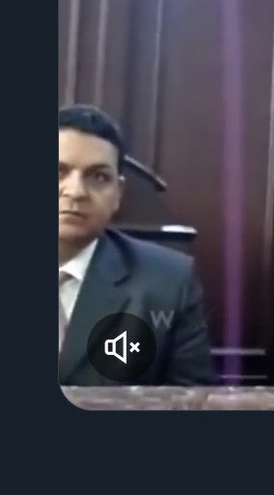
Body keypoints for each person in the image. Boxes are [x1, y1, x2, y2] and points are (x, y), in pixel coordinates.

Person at [58, 105, 216, 385]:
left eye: (98, 177)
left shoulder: (169, 281)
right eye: (59, 172)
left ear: (118, 193)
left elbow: (192, 398)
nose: (76, 192)